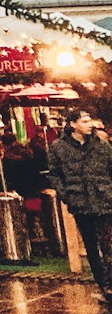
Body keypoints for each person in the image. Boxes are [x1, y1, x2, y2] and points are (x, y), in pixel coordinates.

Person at [48, 108, 112, 297]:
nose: (89, 124)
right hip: (80, 202)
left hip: (104, 200)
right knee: (91, 246)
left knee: (108, 245)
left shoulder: (102, 145)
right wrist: (67, 195)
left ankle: (109, 285)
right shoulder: (58, 147)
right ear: (72, 124)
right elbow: (54, 174)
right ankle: (103, 285)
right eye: (84, 121)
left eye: (89, 120)